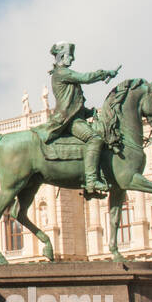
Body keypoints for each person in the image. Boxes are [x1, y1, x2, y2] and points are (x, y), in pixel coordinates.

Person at [46, 42, 120, 196]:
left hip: (75, 117)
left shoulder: (65, 75)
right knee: (95, 139)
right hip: (69, 120)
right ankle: (91, 180)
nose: (72, 59)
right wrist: (104, 73)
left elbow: (72, 103)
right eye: (69, 55)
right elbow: (85, 78)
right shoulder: (61, 73)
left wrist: (88, 112)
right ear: (61, 57)